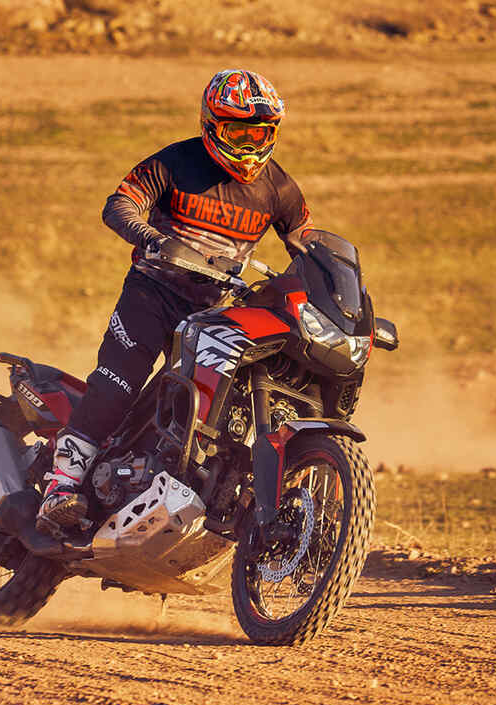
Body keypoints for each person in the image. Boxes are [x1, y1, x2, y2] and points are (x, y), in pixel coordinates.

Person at [36, 68, 313, 533]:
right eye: (237, 132)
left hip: (214, 313)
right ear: (210, 125)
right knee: (118, 382)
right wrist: (149, 238)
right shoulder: (174, 161)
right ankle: (60, 486)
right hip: (152, 294)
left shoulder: (280, 189)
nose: (248, 145)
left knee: (209, 408)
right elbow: (119, 204)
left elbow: (308, 245)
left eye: (259, 133)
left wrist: (331, 281)